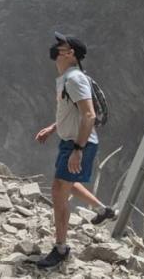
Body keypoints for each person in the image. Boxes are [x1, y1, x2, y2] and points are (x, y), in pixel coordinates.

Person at [34, 32, 116, 269]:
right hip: (71, 141)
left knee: (58, 189)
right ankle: (102, 209)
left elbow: (89, 115)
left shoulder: (75, 79)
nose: (55, 48)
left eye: (60, 45)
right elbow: (72, 111)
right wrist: (53, 128)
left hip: (78, 143)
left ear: (70, 53)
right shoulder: (66, 79)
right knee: (66, 184)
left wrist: (78, 149)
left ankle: (61, 249)